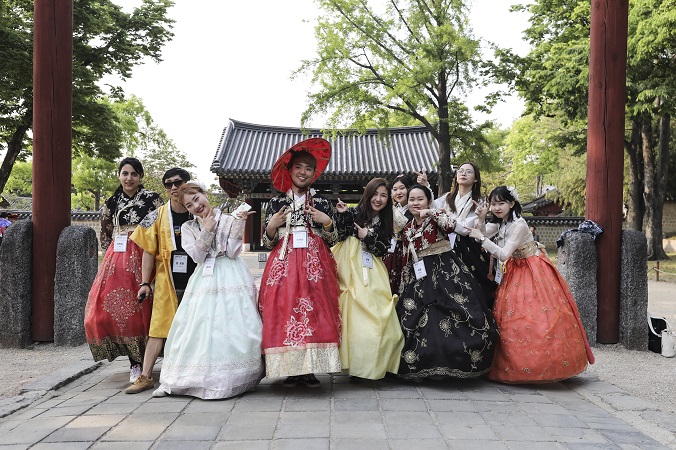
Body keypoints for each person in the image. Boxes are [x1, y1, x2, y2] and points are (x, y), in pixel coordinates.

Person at [469, 186, 595, 383]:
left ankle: (542, 364)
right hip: (515, 269)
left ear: (512, 204)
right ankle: (516, 364)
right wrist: (481, 219)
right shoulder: (502, 222)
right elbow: (479, 231)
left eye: (501, 203)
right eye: (493, 204)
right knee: (512, 317)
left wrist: (483, 238)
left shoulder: (519, 224)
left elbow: (503, 253)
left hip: (531, 269)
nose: (497, 207)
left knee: (536, 315)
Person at [152, 183, 263, 399]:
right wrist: (208, 230)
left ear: (205, 194)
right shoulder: (188, 228)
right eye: (189, 204)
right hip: (204, 277)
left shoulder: (230, 219)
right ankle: (181, 378)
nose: (196, 205)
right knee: (196, 325)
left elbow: (232, 252)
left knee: (230, 323)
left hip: (230, 273)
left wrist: (239, 223)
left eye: (197, 198)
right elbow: (198, 257)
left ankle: (231, 377)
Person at [258, 138, 342, 388]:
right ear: (290, 170)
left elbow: (333, 238)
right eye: (299, 167)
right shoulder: (275, 203)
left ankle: (311, 368)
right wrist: (272, 226)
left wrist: (327, 222)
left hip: (315, 265)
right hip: (283, 263)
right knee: (284, 310)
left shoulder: (323, 203)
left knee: (315, 310)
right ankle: (289, 368)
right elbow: (267, 241)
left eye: (308, 168)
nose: (303, 172)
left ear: (313, 173)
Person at [397, 184, 498, 381]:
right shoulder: (407, 228)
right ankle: (424, 365)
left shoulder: (437, 216)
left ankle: (453, 363)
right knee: (415, 317)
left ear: (428, 200)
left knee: (455, 311)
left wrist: (432, 211)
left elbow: (450, 226)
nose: (415, 203)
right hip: (419, 275)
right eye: (412, 199)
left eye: (420, 199)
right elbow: (406, 256)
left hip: (445, 271)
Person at [84, 157, 162, 382]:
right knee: (119, 309)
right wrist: (112, 261)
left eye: (134, 174)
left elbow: (160, 227)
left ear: (140, 177)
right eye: (125, 173)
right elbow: (106, 233)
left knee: (148, 307)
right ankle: (134, 361)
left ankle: (150, 357)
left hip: (147, 253)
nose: (129, 178)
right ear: (119, 175)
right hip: (118, 260)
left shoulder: (152, 199)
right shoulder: (111, 201)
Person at [125, 167, 198, 394]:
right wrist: (145, 283)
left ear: (187, 183)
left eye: (178, 182)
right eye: (169, 184)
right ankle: (145, 376)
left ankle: (194, 374)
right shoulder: (156, 216)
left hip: (198, 279)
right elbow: (148, 250)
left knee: (196, 328)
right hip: (167, 278)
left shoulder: (198, 211)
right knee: (158, 328)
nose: (174, 188)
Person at [332, 178, 404, 380]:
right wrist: (342, 215)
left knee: (378, 310)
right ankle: (355, 364)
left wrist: (368, 236)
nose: (379, 199)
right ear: (368, 194)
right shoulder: (354, 211)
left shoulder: (387, 220)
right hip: (348, 263)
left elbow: (382, 249)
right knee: (352, 310)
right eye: (375, 194)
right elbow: (340, 235)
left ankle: (374, 362)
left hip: (372, 267)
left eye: (383, 195)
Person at [429, 162, 498, 307]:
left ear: (476, 179)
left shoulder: (478, 202)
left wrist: (447, 220)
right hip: (445, 245)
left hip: (466, 247)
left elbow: (468, 227)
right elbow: (433, 207)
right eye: (460, 171)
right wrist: (426, 187)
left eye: (468, 172)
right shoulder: (447, 197)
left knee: (469, 287)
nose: (463, 174)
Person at [382, 174, 414, 296]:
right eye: (395, 189)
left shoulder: (413, 209)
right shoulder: (392, 208)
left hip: (404, 251)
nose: (398, 192)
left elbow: (403, 226)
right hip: (389, 251)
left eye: (402, 188)